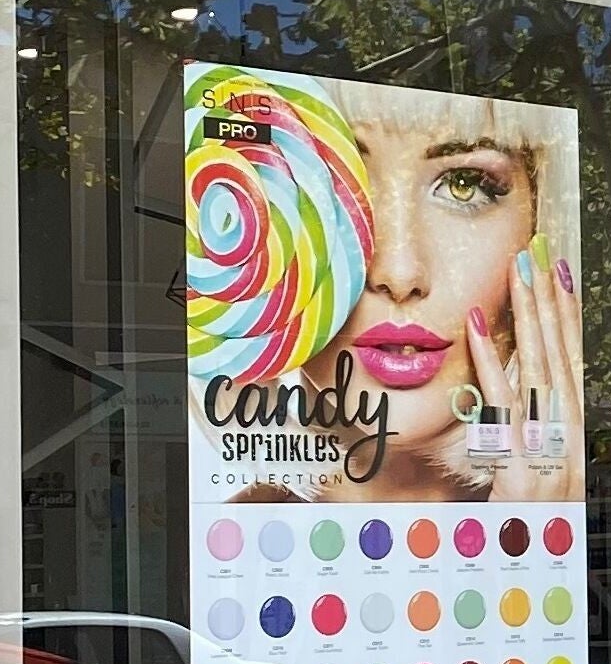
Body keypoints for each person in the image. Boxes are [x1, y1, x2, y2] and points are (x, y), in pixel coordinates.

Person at [213, 77, 583, 503]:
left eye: (465, 184)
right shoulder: (226, 536)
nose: (400, 274)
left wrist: (537, 528)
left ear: (539, 224)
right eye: (331, 182)